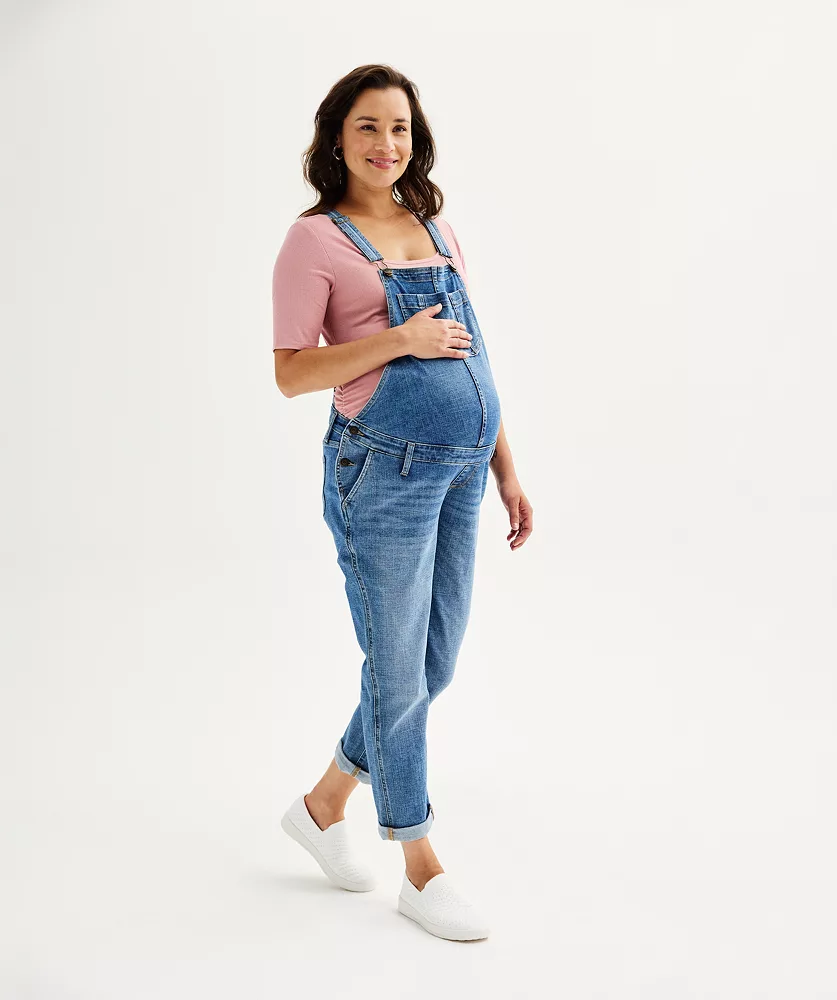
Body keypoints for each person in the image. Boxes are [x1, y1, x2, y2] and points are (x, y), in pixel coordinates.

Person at [272, 64, 533, 941]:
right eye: (368, 128)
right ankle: (421, 866)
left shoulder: (434, 225)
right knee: (397, 669)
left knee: (432, 666)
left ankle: (321, 807)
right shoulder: (313, 241)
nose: (387, 144)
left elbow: (473, 350)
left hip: (462, 471)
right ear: (336, 140)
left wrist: (506, 468)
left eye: (400, 129)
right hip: (382, 476)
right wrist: (399, 339)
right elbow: (291, 374)